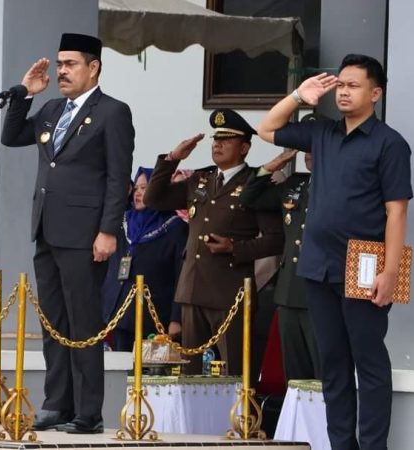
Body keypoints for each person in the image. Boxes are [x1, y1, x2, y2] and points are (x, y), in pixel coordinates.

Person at [256, 54, 412, 450]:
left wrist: (391, 272)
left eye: (353, 85)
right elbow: (266, 128)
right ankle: (341, 445)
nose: (343, 92)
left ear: (375, 94)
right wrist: (298, 96)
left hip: (365, 264)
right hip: (318, 265)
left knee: (368, 362)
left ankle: (373, 445)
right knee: (333, 363)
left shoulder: (390, 144)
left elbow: (396, 212)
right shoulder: (322, 133)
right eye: (339, 85)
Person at [0, 32, 134, 433]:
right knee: (53, 321)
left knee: (83, 322)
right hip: (47, 228)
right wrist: (25, 93)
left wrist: (108, 230)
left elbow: (118, 177)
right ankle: (57, 403)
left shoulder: (112, 112)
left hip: (85, 234)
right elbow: (11, 137)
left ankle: (88, 412)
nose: (61, 71)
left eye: (70, 64)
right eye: (59, 64)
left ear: (93, 68)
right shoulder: (52, 109)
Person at [144, 109, 284, 375]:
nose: (217, 145)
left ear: (244, 148)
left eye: (226, 140)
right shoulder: (201, 179)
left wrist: (235, 248)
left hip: (229, 291)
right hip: (193, 287)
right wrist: (172, 159)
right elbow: (154, 199)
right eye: (216, 139)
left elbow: (276, 241)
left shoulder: (256, 183)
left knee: (235, 372)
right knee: (190, 372)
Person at [240, 113, 323, 383]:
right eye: (305, 147)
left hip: (320, 292)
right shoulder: (295, 184)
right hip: (288, 292)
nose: (309, 153)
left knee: (322, 376)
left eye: (314, 146)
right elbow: (249, 199)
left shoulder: (341, 186)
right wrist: (271, 167)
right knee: (295, 378)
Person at [101, 167, 186, 351]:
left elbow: (182, 276)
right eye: (136, 189)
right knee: (119, 365)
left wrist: (176, 318)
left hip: (155, 316)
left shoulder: (175, 227)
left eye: (145, 188)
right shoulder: (123, 222)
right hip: (117, 312)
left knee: (147, 368)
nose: (138, 193)